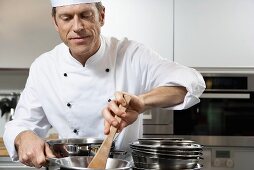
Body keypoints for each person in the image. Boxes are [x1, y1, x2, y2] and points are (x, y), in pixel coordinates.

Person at [3, 0, 206, 168]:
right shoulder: (44, 67)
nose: (77, 27)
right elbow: (21, 123)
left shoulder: (131, 54)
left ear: (101, 16)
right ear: (55, 22)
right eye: (66, 18)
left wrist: (142, 102)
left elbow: (191, 82)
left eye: (85, 15)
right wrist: (23, 136)